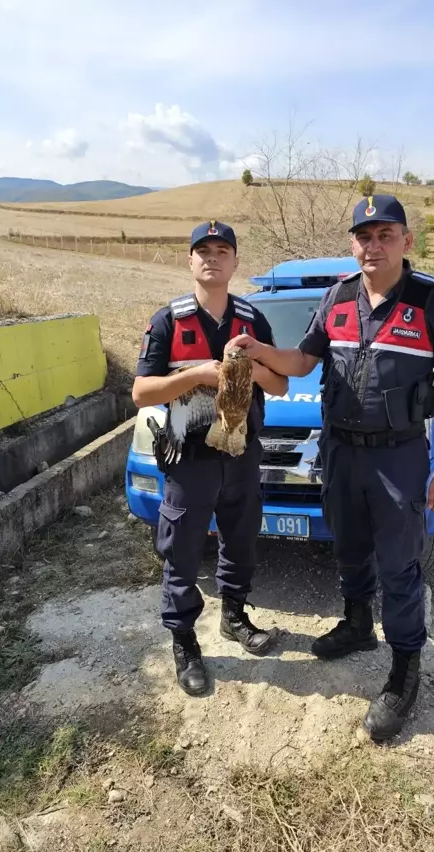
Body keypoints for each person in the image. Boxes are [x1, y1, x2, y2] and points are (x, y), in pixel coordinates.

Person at [226, 194, 434, 740]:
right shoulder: (337, 297)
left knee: (399, 565)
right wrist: (257, 349)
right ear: (353, 243)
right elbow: (302, 361)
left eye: (386, 234)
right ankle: (358, 625)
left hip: (399, 456)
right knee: (350, 546)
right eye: (364, 236)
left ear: (406, 241)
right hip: (341, 450)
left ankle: (404, 666)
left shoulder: (433, 301)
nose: (374, 245)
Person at [132, 220, 288, 696]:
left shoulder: (251, 320)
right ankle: (184, 641)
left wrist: (254, 369)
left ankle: (234, 617)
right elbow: (141, 392)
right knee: (181, 550)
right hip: (188, 458)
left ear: (236, 262)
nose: (212, 258)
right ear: (190, 260)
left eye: (223, 250)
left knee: (240, 540)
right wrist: (196, 374)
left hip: (241, 454)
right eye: (203, 250)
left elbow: (280, 384)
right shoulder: (168, 321)